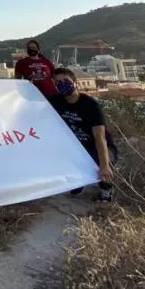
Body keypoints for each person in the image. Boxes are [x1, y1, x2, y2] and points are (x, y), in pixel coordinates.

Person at [50, 67, 118, 203]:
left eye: (66, 80)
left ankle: (106, 190)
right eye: (58, 82)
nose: (62, 84)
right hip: (75, 147)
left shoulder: (90, 105)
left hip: (96, 145)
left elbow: (100, 138)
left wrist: (104, 165)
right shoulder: (55, 102)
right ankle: (77, 183)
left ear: (75, 82)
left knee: (102, 163)